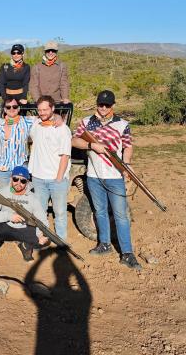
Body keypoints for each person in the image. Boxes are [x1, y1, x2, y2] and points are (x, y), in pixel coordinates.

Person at [72, 90, 142, 271]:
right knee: (100, 212)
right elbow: (74, 140)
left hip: (114, 176)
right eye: (101, 105)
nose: (103, 108)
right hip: (94, 176)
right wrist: (91, 145)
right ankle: (104, 244)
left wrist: (126, 163)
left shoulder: (122, 124)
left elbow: (127, 146)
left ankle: (127, 253)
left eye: (107, 105)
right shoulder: (86, 123)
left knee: (121, 215)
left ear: (113, 106)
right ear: (97, 104)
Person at [0, 166, 49, 272]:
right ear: (11, 178)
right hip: (5, 228)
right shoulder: (2, 193)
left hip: (23, 229)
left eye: (23, 181)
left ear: (27, 182)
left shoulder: (33, 198)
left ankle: (25, 246)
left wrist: (40, 236)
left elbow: (42, 219)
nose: (18, 183)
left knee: (45, 238)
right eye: (16, 179)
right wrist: (9, 216)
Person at [28, 95, 72, 241]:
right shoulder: (36, 124)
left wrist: (59, 178)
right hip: (38, 177)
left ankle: (61, 241)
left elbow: (65, 155)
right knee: (40, 211)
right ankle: (40, 237)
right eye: (39, 110)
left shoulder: (62, 129)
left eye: (45, 109)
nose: (42, 113)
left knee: (59, 212)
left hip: (56, 178)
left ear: (53, 108)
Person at [0, 97, 34, 188]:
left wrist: (57, 117)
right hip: (2, 169)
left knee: (21, 198)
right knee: (5, 199)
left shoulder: (27, 121)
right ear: (4, 109)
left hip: (20, 167)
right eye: (8, 107)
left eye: (14, 106)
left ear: (18, 108)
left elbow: (45, 117)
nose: (11, 109)